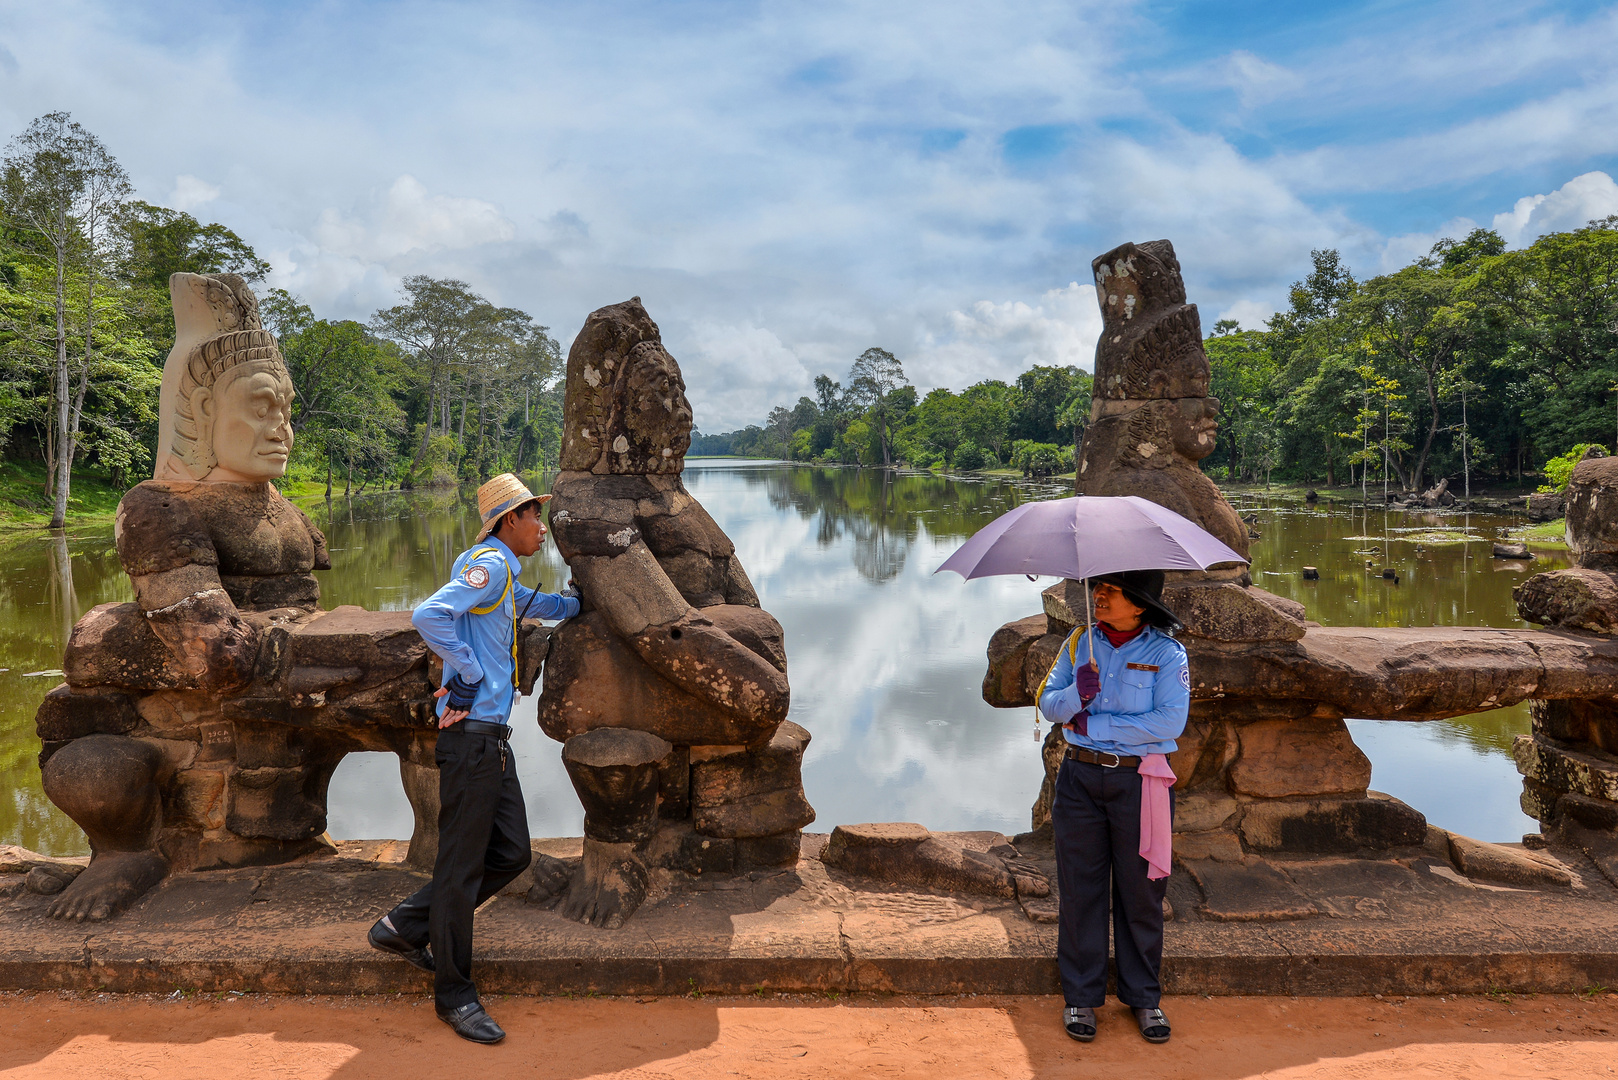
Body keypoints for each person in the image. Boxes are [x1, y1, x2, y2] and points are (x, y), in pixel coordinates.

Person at [368, 473, 581, 1045]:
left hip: (491, 740)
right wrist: (466, 671)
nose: (542, 527)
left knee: (512, 853)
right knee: (459, 871)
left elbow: (538, 605)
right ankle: (454, 995)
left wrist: (582, 603)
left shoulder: (502, 574)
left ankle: (403, 926)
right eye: (534, 516)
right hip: (471, 742)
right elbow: (428, 615)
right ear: (508, 520)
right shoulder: (488, 565)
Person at [1038, 569, 1189, 1046]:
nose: (1099, 596)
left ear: (1139, 604)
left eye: (1111, 590)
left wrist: (1090, 723)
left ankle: (1144, 999)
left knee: (1141, 892)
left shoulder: (1167, 654)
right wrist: (1076, 696)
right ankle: (1080, 998)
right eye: (1098, 587)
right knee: (1080, 890)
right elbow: (1047, 702)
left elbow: (1169, 721)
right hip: (1079, 779)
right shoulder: (1079, 643)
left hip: (1140, 782)